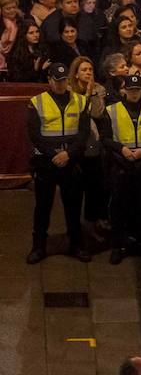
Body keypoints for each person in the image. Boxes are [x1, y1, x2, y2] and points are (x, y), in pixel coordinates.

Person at [99, 72, 141, 264]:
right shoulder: (112, 110)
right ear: (124, 91)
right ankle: (117, 246)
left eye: (137, 90)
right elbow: (105, 138)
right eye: (131, 90)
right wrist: (121, 149)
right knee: (119, 208)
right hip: (120, 165)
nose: (134, 93)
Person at [28, 61, 90, 263]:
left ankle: (76, 245)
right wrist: (54, 154)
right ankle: (38, 247)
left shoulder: (80, 101)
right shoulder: (37, 101)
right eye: (57, 80)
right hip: (46, 162)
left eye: (64, 80)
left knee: (73, 206)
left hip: (70, 162)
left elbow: (83, 133)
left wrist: (68, 154)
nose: (61, 84)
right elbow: (34, 134)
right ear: (49, 80)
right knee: (42, 207)